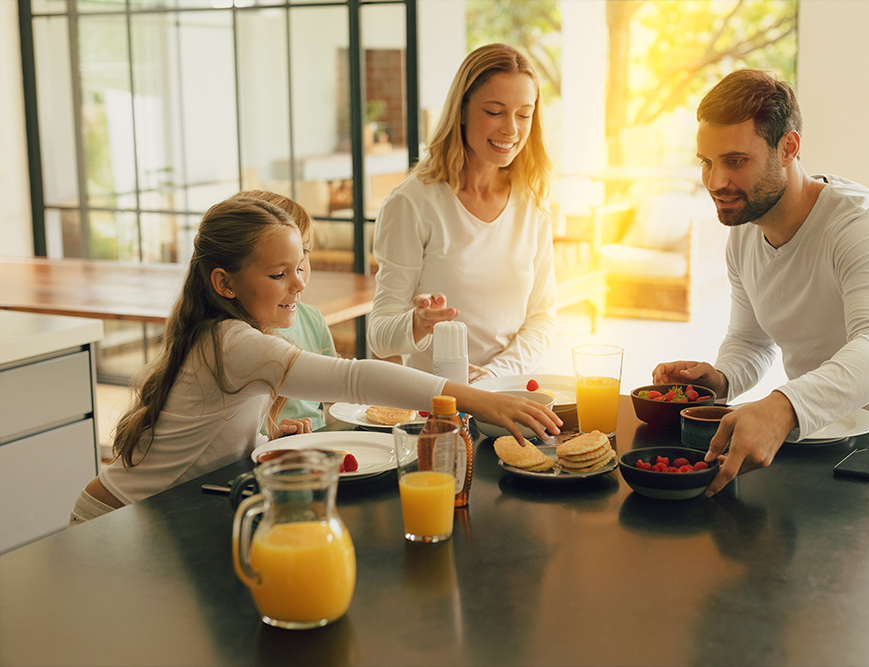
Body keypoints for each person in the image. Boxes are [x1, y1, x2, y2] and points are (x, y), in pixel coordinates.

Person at [70, 195, 561, 523]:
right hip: (114, 521)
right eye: (279, 274)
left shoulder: (228, 335)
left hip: (144, 512)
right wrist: (478, 401)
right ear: (225, 283)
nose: (299, 284)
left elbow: (206, 432)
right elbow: (355, 379)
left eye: (299, 267)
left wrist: (263, 435)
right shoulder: (235, 342)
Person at [652, 69, 869, 497]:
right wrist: (721, 378)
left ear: (788, 148)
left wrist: (783, 407)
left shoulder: (863, 227)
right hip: (827, 436)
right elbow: (751, 340)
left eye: (736, 161)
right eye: (707, 163)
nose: (715, 182)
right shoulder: (745, 231)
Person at [367, 43, 557, 383]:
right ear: (463, 110)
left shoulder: (532, 201)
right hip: (438, 407)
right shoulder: (413, 203)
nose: (511, 129)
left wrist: (494, 376)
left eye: (523, 114)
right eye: (495, 111)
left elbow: (542, 318)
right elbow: (379, 334)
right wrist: (417, 323)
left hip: (514, 395)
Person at [240, 189, 337, 432]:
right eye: (280, 267)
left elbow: (338, 397)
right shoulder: (235, 338)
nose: (300, 277)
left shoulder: (312, 318)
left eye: (304, 252)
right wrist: (273, 438)